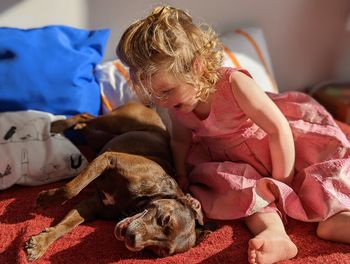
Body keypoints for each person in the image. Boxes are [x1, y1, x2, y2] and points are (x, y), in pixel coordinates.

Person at [116, 6, 350, 264]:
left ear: (197, 67)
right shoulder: (176, 106)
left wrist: (283, 180)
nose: (162, 101)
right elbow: (180, 140)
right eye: (155, 96)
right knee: (238, 189)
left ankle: (338, 219)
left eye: (167, 91)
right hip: (234, 161)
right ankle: (275, 234)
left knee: (317, 177)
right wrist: (180, 174)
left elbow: (278, 129)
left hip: (279, 148)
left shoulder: (233, 84)